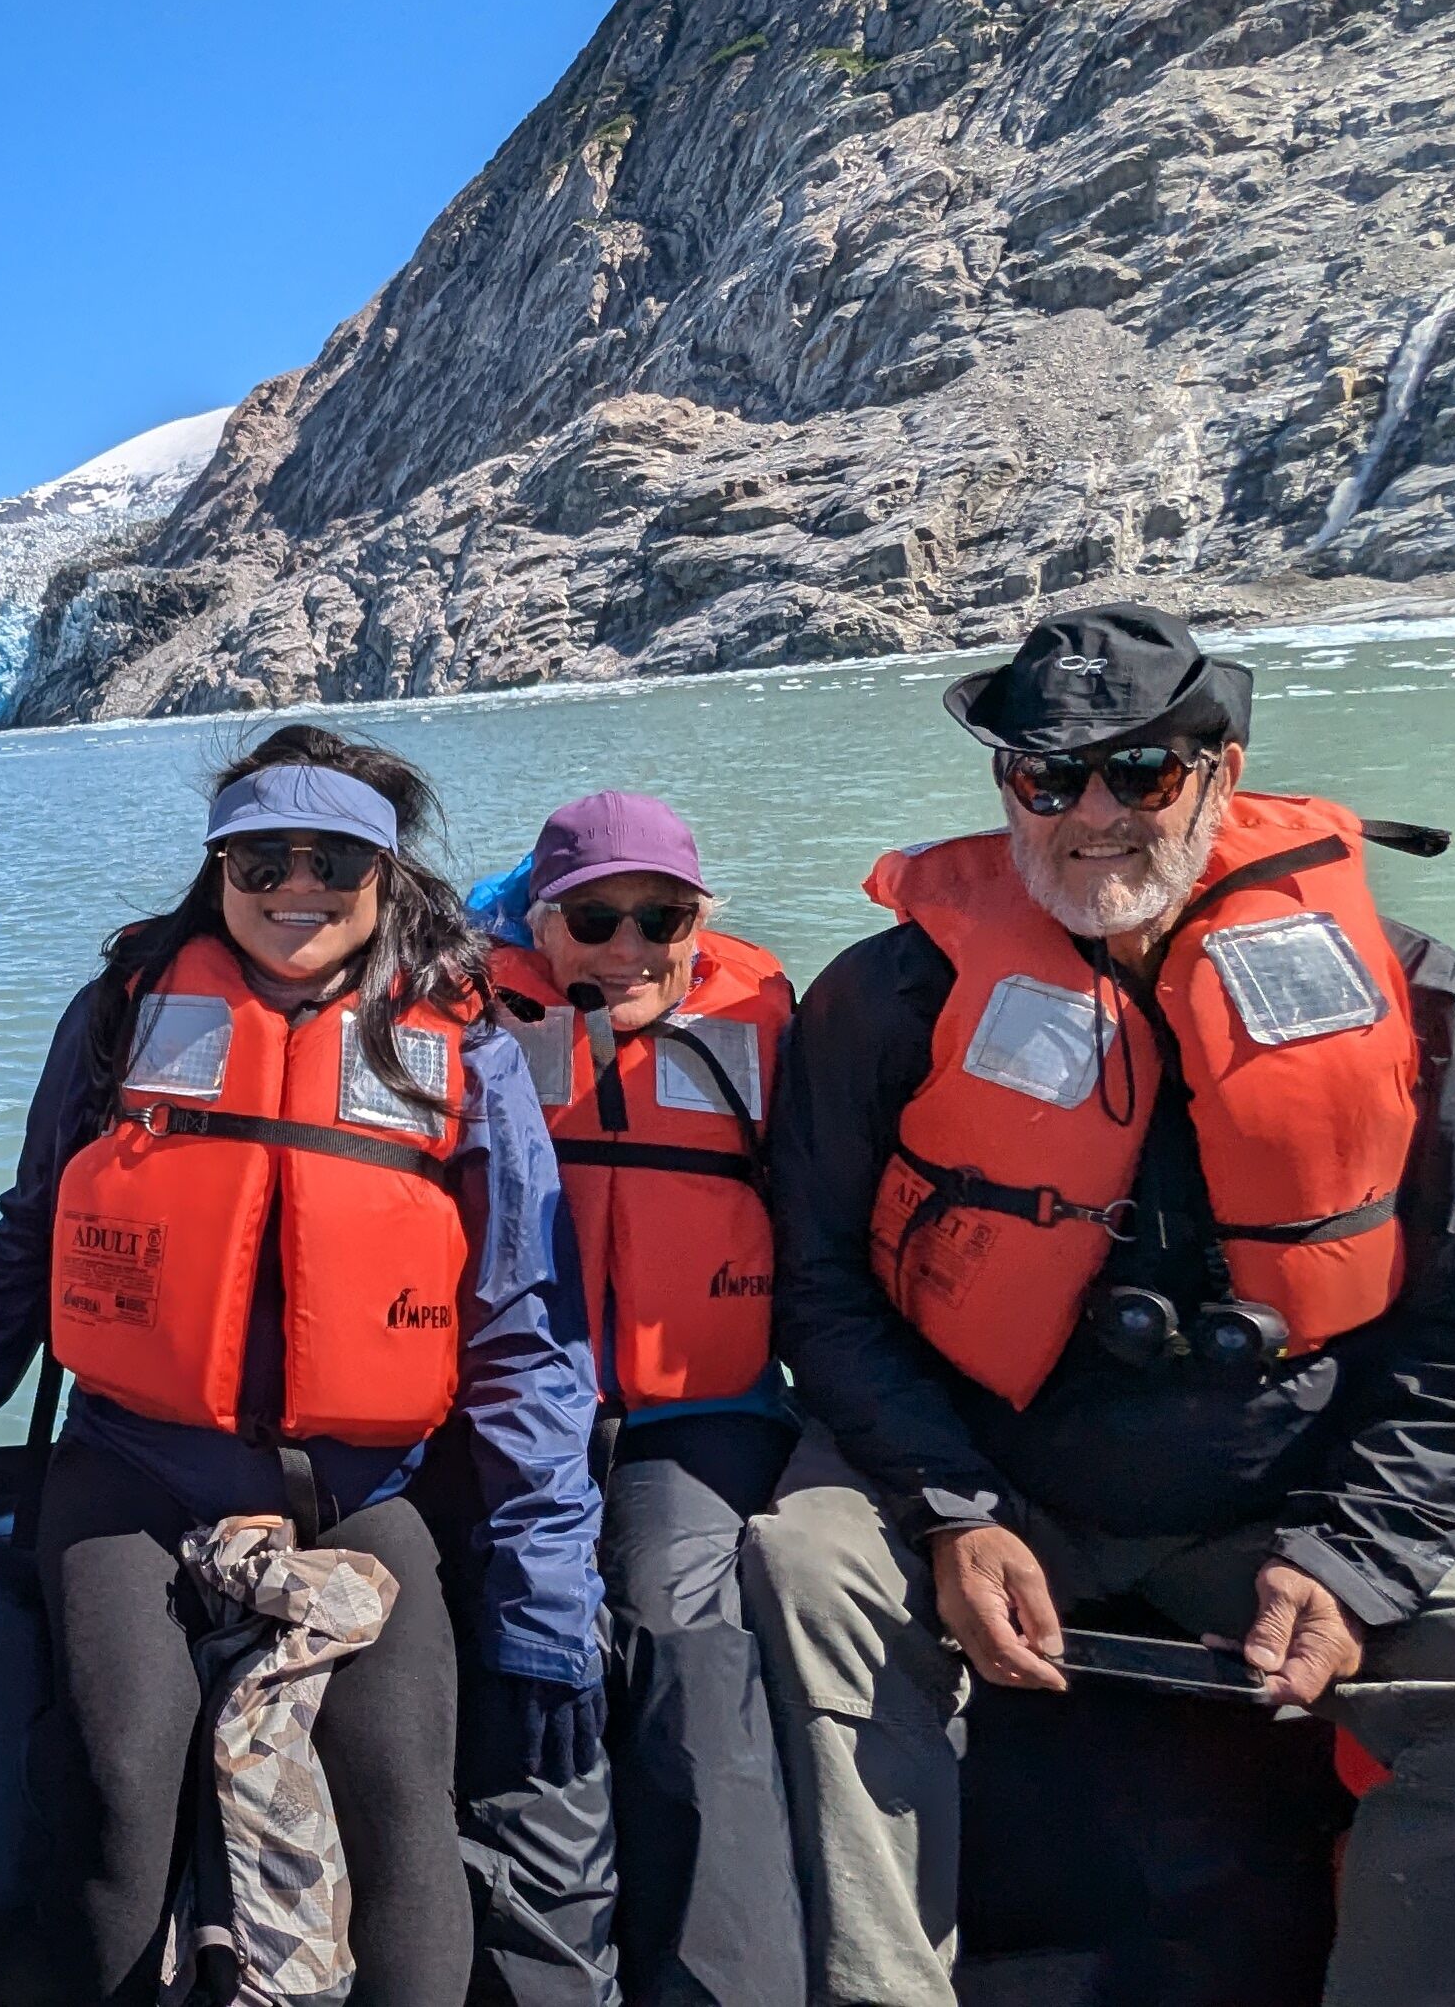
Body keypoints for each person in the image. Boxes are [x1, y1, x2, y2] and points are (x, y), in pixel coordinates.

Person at [742, 603, 1455, 2007]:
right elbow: (822, 1284)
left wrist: (1357, 1561)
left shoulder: (1413, 991)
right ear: (1007, 787)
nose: (1093, 816)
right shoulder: (890, 995)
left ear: (1222, 774)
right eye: (1047, 777)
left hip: (1300, 1481)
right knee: (804, 1573)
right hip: (975, 1467)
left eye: (1141, 773)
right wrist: (951, 1510)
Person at [0, 725, 604, 2007]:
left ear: (384, 873)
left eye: (335, 861)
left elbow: (524, 1327)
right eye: (262, 860)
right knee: (122, 1781)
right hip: (133, 1474)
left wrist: (547, 1598)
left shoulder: (463, 1043)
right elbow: (29, 1245)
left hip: (364, 1489)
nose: (296, 886)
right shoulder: (123, 1012)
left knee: (401, 1797)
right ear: (219, 872)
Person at [484, 794, 803, 2007]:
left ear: (698, 923)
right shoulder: (466, 1020)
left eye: (661, 920)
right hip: (513, 1419)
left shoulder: (765, 1025)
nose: (628, 949)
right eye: (593, 920)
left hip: (696, 1417)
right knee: (524, 1649)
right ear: (537, 923)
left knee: (682, 1640)